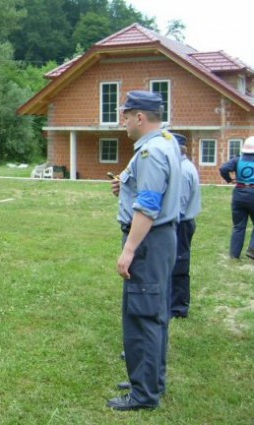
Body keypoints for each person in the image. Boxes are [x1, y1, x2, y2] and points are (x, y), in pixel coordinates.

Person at [109, 91, 181, 411]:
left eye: (126, 115)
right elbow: (150, 190)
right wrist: (125, 185)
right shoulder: (166, 141)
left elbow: (149, 206)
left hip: (148, 242)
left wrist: (129, 250)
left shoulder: (151, 152)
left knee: (143, 316)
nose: (122, 121)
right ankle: (150, 379)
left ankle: (144, 394)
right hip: (161, 240)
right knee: (154, 313)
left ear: (140, 118)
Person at [170, 133, 201, 319]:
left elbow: (178, 206)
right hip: (184, 222)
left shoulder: (181, 171)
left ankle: (178, 308)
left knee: (179, 264)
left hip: (181, 223)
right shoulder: (184, 166)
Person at [219, 136, 254, 259]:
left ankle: (234, 255)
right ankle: (252, 249)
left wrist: (229, 179)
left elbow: (223, 168)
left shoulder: (237, 160)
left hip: (239, 193)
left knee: (238, 225)